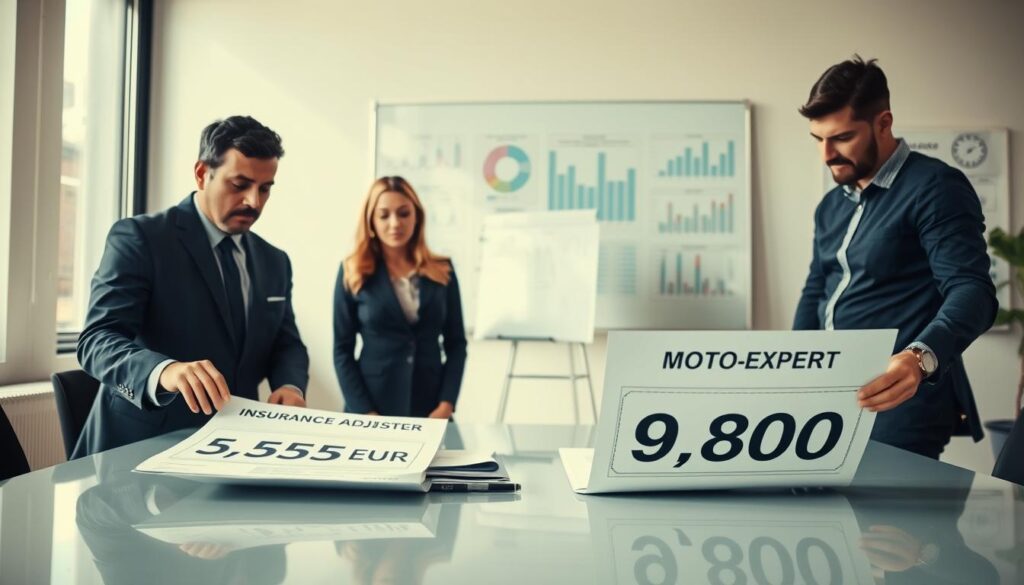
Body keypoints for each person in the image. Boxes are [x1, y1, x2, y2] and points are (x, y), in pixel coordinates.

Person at [793, 56, 997, 459]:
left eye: (842, 138)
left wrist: (920, 358)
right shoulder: (831, 205)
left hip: (899, 404)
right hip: (828, 398)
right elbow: (817, 288)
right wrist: (795, 372)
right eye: (818, 139)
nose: (826, 154)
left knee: (884, 505)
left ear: (883, 123)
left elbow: (972, 291)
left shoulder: (935, 187)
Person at [73, 116, 309, 459]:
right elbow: (97, 341)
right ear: (202, 174)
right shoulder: (140, 238)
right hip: (138, 452)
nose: (254, 201)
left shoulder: (275, 260)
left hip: (235, 449)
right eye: (239, 184)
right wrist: (164, 371)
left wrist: (290, 386)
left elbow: (286, 344)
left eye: (265, 188)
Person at [333, 176, 467, 418]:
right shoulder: (353, 271)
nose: (395, 223)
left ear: (417, 217)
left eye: (404, 213)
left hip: (431, 409)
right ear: (371, 221)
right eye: (384, 215)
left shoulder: (442, 269)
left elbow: (456, 344)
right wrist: (365, 413)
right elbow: (342, 351)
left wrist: (446, 404)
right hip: (371, 408)